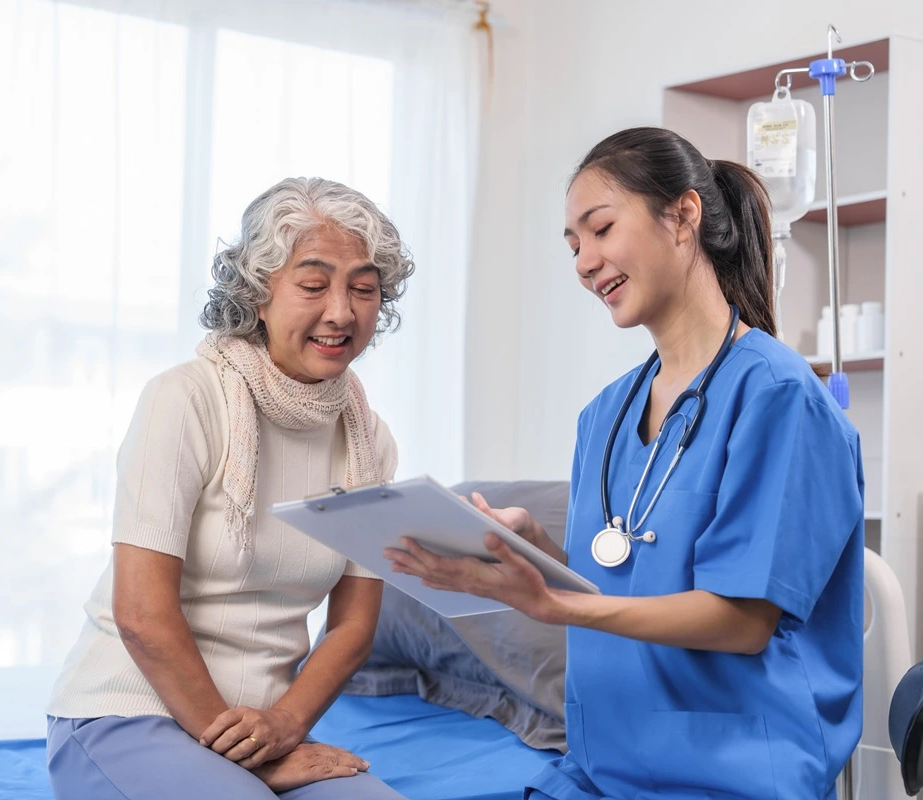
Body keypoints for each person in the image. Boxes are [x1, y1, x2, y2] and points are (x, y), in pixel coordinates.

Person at [387, 127, 864, 799]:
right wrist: (539, 554)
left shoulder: (779, 399)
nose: (584, 261)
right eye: (574, 244)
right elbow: (620, 582)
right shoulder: (604, 417)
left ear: (683, 216)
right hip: (601, 763)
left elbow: (743, 621)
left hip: (732, 771)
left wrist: (556, 604)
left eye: (601, 229)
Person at [46, 177, 412, 800]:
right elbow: (140, 615)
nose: (342, 312)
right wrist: (240, 755)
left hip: (265, 731)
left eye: (364, 288)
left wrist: (285, 726)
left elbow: (352, 627)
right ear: (258, 295)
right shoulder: (185, 398)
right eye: (313, 284)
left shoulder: (368, 439)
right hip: (129, 712)